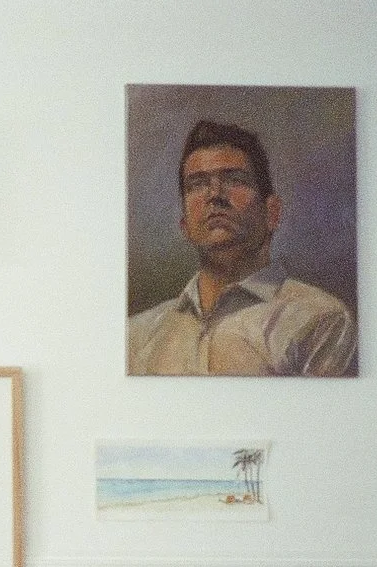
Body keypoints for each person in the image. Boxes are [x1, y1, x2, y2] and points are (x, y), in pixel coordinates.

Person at [129, 120, 358, 377]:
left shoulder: (318, 319)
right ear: (184, 224)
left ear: (272, 213)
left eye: (235, 180)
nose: (215, 195)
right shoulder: (137, 335)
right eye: (197, 184)